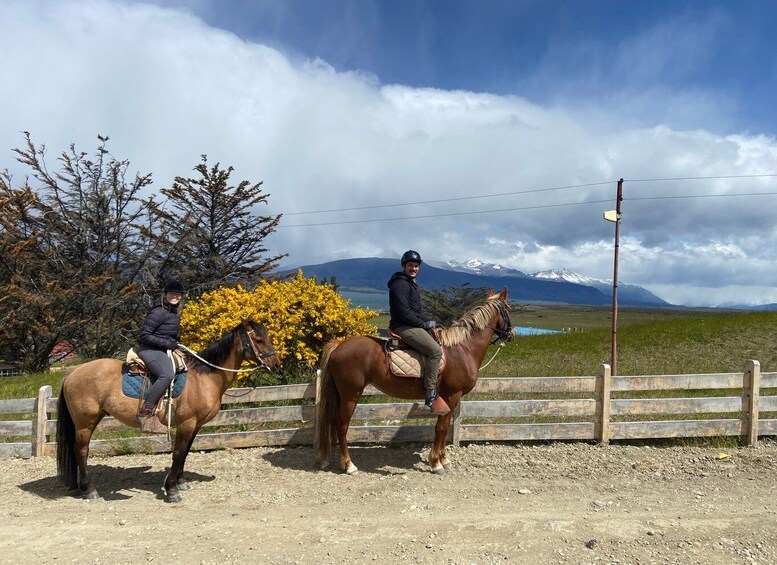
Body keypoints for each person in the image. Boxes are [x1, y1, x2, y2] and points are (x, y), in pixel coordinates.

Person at [387, 250, 446, 414]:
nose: (414, 268)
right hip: (403, 327)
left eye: (416, 266)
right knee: (435, 351)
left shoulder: (409, 283)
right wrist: (423, 323)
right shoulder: (400, 284)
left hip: (411, 324)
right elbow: (404, 312)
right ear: (404, 266)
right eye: (410, 265)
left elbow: (415, 312)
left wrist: (432, 321)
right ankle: (431, 393)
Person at [135, 279, 185, 426]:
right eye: (171, 294)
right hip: (150, 349)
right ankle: (147, 408)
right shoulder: (158, 312)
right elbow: (144, 335)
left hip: (163, 349)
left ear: (181, 296)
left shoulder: (173, 312)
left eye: (177, 294)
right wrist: (168, 343)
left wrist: (176, 344)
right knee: (167, 374)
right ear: (165, 295)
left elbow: (167, 335)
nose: (174, 296)